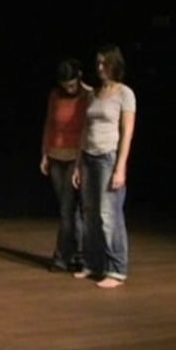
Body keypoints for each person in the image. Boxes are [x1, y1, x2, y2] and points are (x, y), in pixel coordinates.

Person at [72, 44, 136, 289]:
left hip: (108, 158)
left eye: (104, 63)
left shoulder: (125, 93)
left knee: (109, 215)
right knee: (89, 214)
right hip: (88, 157)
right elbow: (84, 130)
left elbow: (127, 132)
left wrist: (121, 167)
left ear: (114, 64)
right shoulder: (93, 94)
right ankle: (92, 263)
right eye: (98, 63)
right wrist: (78, 164)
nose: (99, 67)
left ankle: (116, 270)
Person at [40, 59, 91, 272]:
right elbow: (49, 124)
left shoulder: (87, 96)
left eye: (71, 84)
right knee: (67, 209)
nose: (68, 89)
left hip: (74, 157)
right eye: (64, 85)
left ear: (78, 78)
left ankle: (63, 256)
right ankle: (77, 253)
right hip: (56, 156)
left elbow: (87, 130)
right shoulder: (55, 95)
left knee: (68, 209)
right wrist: (44, 154)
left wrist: (79, 162)